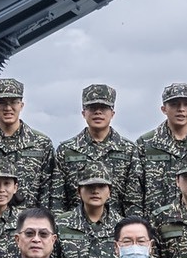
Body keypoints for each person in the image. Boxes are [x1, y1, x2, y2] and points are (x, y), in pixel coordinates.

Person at [133, 82, 187, 218]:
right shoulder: (145, 144)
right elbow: (135, 191)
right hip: (155, 223)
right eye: (174, 104)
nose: (181, 109)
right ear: (164, 109)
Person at [0, 77, 56, 209]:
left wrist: (41, 219)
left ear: (21, 105)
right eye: (1, 103)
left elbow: (48, 190)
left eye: (13, 102)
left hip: (29, 219)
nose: (8, 108)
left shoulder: (41, 143)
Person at [53, 83, 139, 213]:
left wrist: (131, 224)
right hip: (74, 223)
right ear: (84, 113)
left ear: (112, 113)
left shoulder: (129, 150)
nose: (98, 112)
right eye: (92, 108)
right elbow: (57, 198)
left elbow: (134, 199)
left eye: (103, 108)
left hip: (117, 223)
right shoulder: (66, 150)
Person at [53, 160, 123, 258]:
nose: (95, 191)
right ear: (79, 191)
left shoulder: (121, 226)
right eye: (89, 186)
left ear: (110, 192)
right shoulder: (61, 224)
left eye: (101, 186)